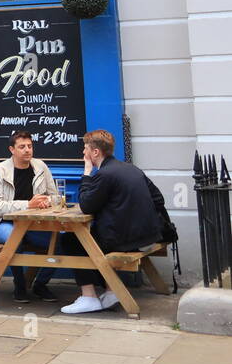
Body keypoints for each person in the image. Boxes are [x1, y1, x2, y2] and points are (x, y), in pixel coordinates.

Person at [59, 130, 162, 315]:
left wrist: (87, 173)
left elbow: (85, 205)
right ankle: (110, 291)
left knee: (71, 241)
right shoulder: (131, 168)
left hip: (125, 240)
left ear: (95, 152)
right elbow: (158, 198)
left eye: (85, 149)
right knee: (92, 239)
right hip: (148, 236)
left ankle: (89, 297)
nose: (83, 153)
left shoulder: (104, 174)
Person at [0, 129, 58, 302]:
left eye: (30, 146)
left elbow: (54, 195)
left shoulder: (40, 167)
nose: (27, 150)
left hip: (33, 223)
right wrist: (28, 204)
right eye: (22, 147)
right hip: (1, 223)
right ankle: (20, 284)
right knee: (16, 238)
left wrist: (47, 201)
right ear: (12, 150)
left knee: (60, 240)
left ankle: (40, 284)